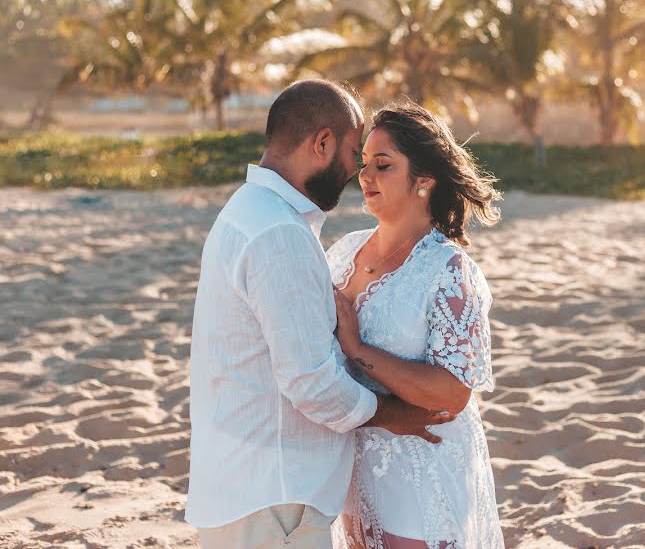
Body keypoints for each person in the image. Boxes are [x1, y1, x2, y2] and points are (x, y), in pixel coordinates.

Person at [186, 80, 454, 549]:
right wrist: (393, 414)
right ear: (322, 143)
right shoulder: (279, 233)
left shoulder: (247, 211)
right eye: (354, 153)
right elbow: (310, 381)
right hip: (274, 501)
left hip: (250, 489)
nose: (356, 171)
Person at [326, 102, 504, 548]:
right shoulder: (343, 252)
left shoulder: (448, 271)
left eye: (383, 165)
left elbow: (451, 394)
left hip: (419, 471)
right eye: (364, 163)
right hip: (351, 462)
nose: (365, 176)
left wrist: (357, 349)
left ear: (424, 181)